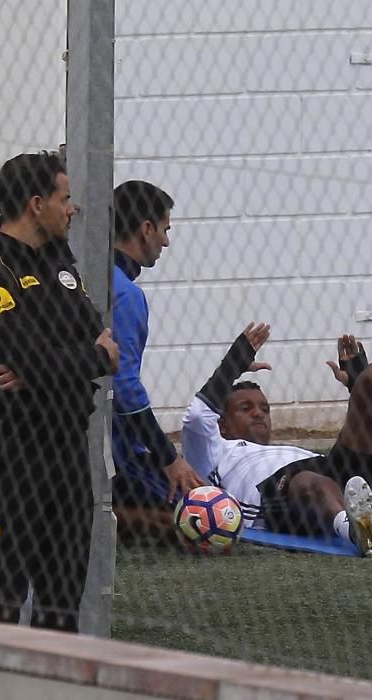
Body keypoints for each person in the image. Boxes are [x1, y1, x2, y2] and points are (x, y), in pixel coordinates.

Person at [0, 151, 120, 632]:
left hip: (67, 452)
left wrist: (45, 365)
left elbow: (101, 341)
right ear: (35, 204)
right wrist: (70, 361)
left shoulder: (61, 263)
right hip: (11, 455)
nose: (73, 209)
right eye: (65, 199)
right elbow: (64, 355)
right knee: (2, 604)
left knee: (62, 604)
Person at [180, 310, 372, 556]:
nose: (259, 413)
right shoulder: (211, 454)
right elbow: (195, 417)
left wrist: (356, 389)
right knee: (308, 481)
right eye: (245, 408)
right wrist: (233, 364)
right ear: (222, 424)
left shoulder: (290, 451)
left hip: (329, 468)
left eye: (265, 409)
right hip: (281, 497)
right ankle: (354, 530)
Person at [110, 180, 204, 541]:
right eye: (165, 229)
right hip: (117, 455)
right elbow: (124, 388)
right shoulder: (125, 293)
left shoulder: (83, 275)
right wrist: (169, 458)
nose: (166, 241)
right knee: (202, 514)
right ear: (146, 228)